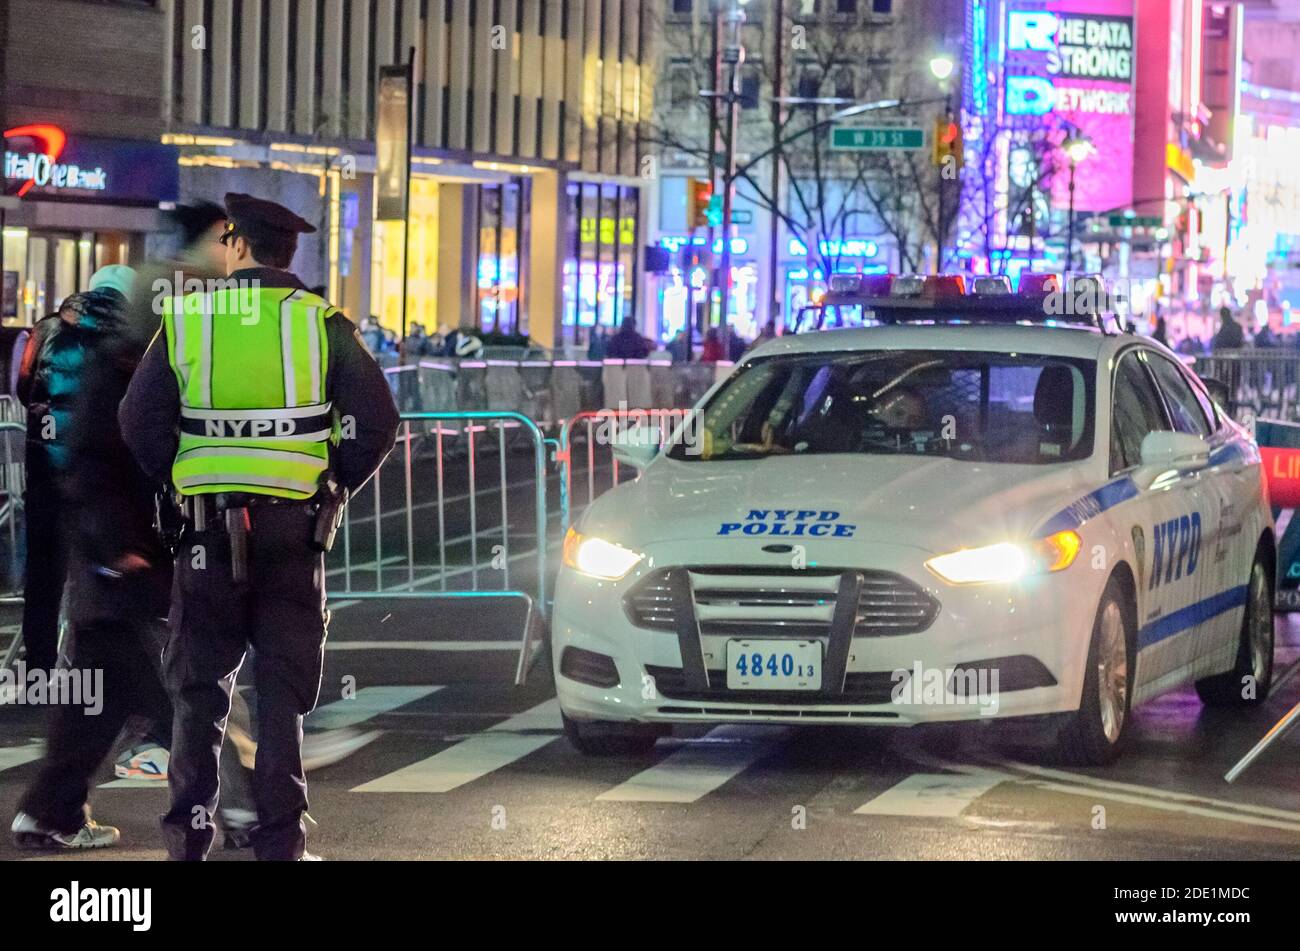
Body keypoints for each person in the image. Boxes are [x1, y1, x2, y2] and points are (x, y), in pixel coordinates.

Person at [119, 193, 399, 861]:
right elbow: (377, 423)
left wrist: (180, 482)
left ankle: (188, 838)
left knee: (199, 694)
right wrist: (332, 485)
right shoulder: (323, 323)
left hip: (206, 536)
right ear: (289, 254)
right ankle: (281, 845)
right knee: (279, 696)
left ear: (238, 246)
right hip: (293, 537)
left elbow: (139, 420)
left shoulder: (186, 320)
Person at [11, 265, 176, 850]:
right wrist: (124, 545)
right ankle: (248, 805)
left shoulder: (55, 331)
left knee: (101, 688)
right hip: (118, 544)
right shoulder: (121, 357)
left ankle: (50, 811)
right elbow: (105, 458)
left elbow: (24, 393)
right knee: (177, 683)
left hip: (67, 514)